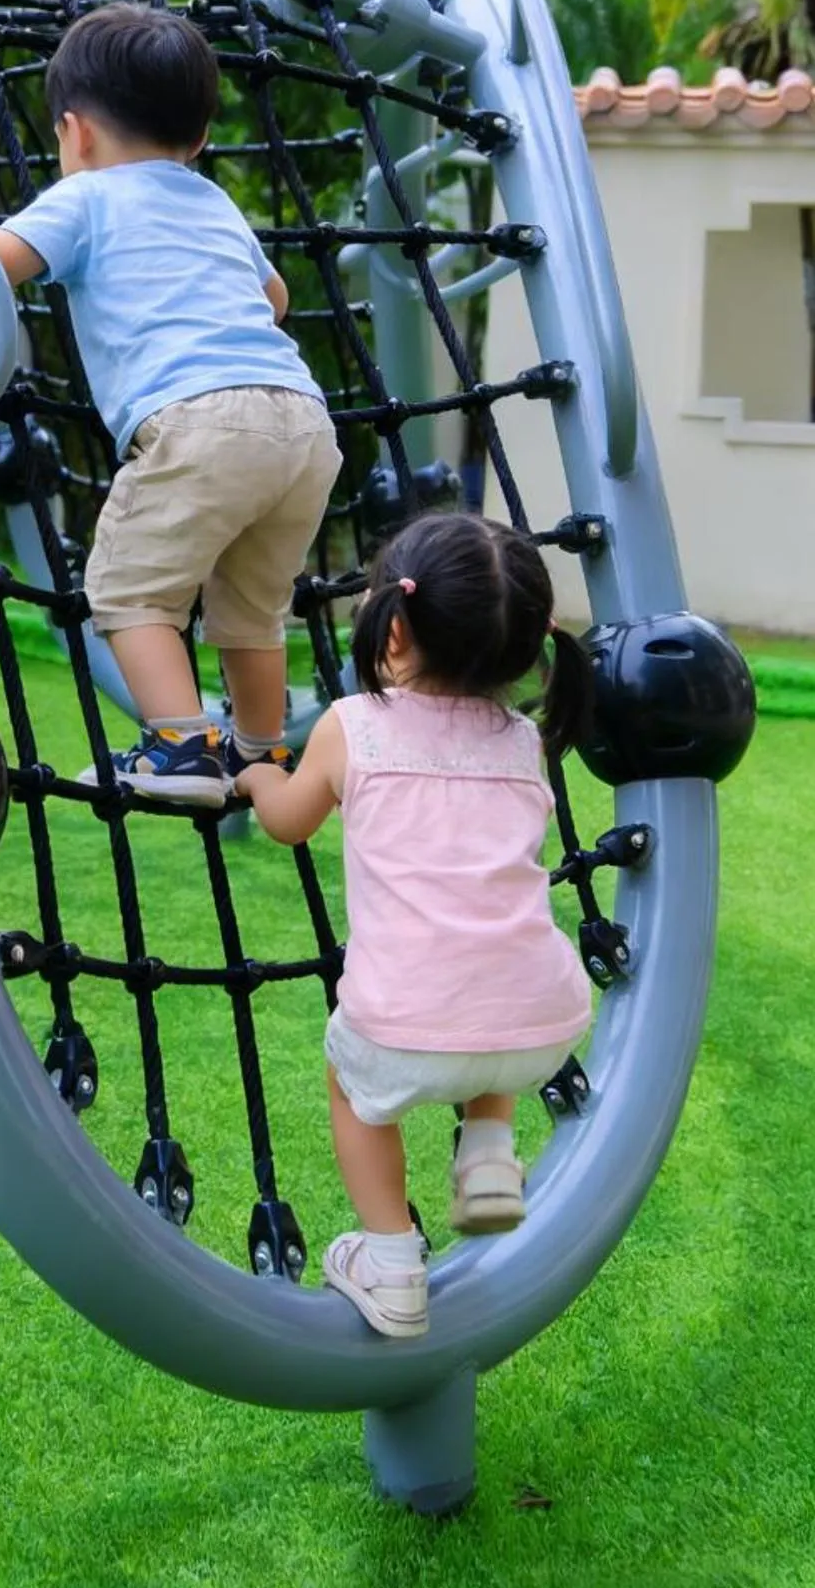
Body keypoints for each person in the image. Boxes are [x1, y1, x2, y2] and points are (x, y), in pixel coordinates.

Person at [0, 0, 340, 803]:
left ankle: (180, 753)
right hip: (301, 419)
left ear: (77, 133)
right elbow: (273, 300)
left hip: (199, 421)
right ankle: (261, 756)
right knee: (254, 610)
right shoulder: (212, 202)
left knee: (129, 593)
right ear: (198, 138)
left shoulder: (87, 196)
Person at [237, 511, 595, 1339]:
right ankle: (488, 1152)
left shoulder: (351, 725)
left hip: (403, 1029)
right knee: (491, 968)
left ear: (392, 634)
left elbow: (289, 822)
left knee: (355, 1092)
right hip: (541, 1025)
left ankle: (393, 1263)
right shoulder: (522, 743)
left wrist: (260, 779)